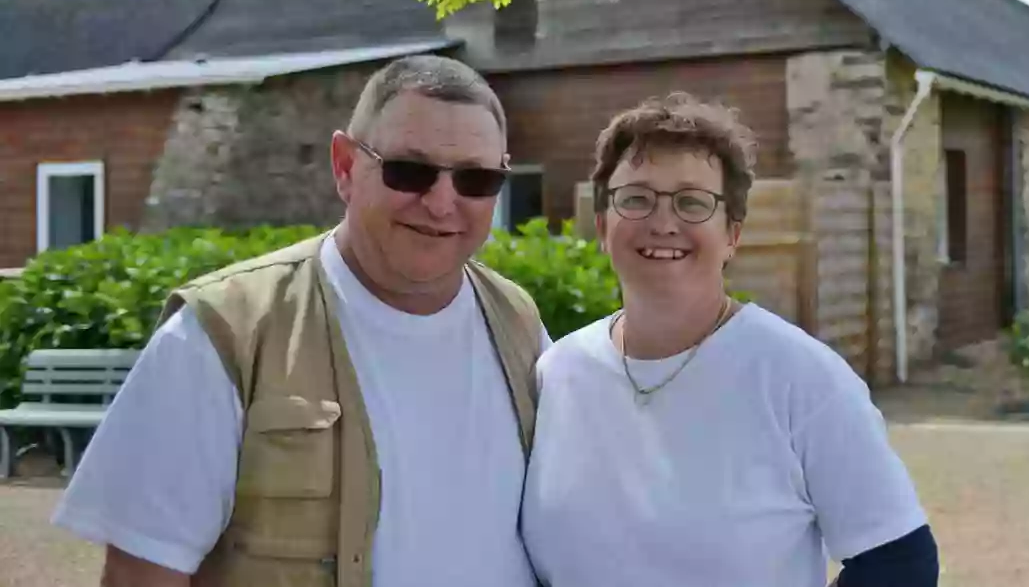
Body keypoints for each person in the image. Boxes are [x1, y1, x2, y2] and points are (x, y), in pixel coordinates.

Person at [53, 54, 551, 587]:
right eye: (410, 170)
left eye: (476, 179)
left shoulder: (518, 321)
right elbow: (140, 577)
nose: (441, 202)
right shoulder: (224, 333)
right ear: (344, 167)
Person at [521, 92, 939, 587]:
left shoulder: (799, 378)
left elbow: (899, 562)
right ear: (602, 224)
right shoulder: (560, 370)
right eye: (635, 198)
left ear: (732, 235)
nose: (662, 222)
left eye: (692, 202)